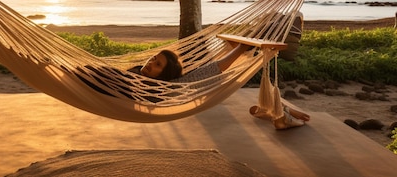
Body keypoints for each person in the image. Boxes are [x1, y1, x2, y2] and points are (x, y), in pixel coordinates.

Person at [133, 42, 310, 127]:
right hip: (113, 90)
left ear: (164, 75)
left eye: (157, 65)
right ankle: (279, 110)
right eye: (153, 59)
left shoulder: (167, 89)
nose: (150, 63)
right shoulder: (133, 73)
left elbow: (211, 69)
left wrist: (241, 48)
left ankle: (280, 111)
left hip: (136, 94)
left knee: (203, 73)